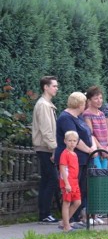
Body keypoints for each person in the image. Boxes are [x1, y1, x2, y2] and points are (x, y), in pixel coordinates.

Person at [55, 92, 97, 226]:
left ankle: (77, 218)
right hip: (71, 160)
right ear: (79, 104)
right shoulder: (66, 118)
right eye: (84, 103)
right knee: (70, 192)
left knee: (81, 190)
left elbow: (89, 134)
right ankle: (68, 221)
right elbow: (74, 139)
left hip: (83, 160)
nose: (85, 105)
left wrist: (93, 148)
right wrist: (90, 150)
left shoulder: (78, 117)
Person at [32, 76, 60, 224]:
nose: (56, 88)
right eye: (54, 86)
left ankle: (44, 213)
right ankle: (44, 214)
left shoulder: (47, 104)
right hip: (46, 148)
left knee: (47, 180)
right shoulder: (43, 105)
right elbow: (46, 130)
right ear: (45, 87)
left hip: (46, 147)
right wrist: (54, 149)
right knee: (51, 180)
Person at [83, 86, 108, 169]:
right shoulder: (87, 114)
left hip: (106, 151)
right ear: (89, 100)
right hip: (96, 151)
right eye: (96, 98)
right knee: (97, 176)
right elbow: (91, 135)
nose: (99, 101)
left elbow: (107, 133)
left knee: (105, 176)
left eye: (101, 98)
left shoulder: (102, 114)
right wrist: (101, 149)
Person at [58, 130, 82, 233]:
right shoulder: (65, 154)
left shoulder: (74, 154)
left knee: (77, 202)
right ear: (65, 141)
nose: (72, 143)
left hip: (74, 181)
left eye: (74, 141)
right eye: (70, 140)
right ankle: (66, 226)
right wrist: (67, 183)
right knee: (66, 202)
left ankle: (64, 221)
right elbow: (62, 169)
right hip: (67, 181)